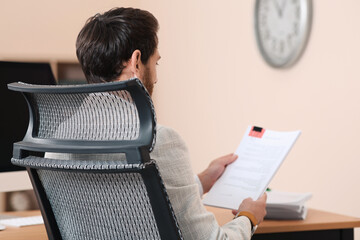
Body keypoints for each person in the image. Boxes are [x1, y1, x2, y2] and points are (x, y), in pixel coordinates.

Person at [75, 7, 267, 239]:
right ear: (137, 62)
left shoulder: (56, 140)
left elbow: (126, 203)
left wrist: (201, 181)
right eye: (156, 63)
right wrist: (249, 217)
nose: (155, 77)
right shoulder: (155, 140)